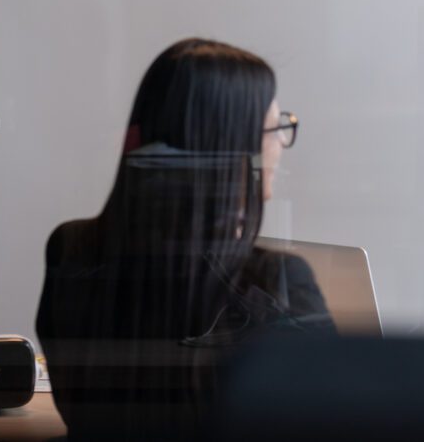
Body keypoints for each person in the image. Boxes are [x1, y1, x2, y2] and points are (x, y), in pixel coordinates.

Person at [36, 38, 332, 439]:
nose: (281, 143)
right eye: (274, 128)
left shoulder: (71, 250)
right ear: (231, 144)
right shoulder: (273, 279)